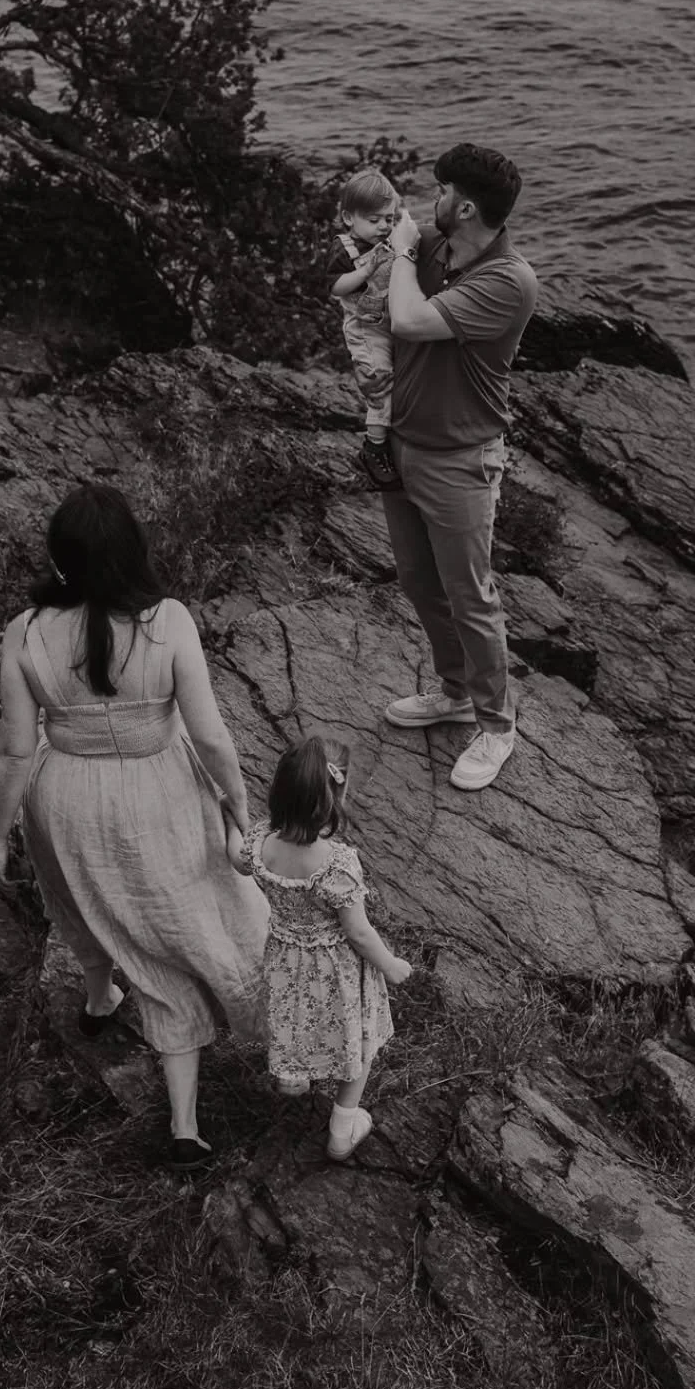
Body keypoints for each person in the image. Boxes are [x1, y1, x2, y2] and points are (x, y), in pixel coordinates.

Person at [0, 482, 268, 1169]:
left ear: (61, 561)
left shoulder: (24, 632)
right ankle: (183, 1124)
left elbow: (16, 749)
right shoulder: (167, 619)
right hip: (160, 794)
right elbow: (210, 735)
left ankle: (98, 995)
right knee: (176, 926)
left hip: (65, 800)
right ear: (131, 553)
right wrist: (238, 805)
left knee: (85, 905)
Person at [382, 143, 539, 792]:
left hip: (460, 458)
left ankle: (497, 726)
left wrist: (395, 251)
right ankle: (452, 692)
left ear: (466, 206)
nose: (430, 200)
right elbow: (386, 235)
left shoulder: (508, 281)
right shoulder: (438, 249)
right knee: (420, 582)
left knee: (472, 596)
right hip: (404, 442)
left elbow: (410, 320)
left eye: (441, 190)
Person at [226, 736, 411, 1162]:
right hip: (335, 972)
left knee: (295, 1019)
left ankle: (295, 1078)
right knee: (355, 1044)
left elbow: (235, 856)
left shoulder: (260, 844)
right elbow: (360, 933)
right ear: (334, 799)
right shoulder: (337, 865)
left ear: (278, 794)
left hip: (286, 962)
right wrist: (391, 964)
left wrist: (227, 819)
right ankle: (342, 1132)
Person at [329, 166, 403, 492]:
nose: (383, 226)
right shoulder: (344, 248)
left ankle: (393, 435)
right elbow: (337, 286)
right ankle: (373, 447)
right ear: (349, 218)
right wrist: (369, 267)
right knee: (380, 381)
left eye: (389, 218)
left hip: (390, 322)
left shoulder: (389, 241)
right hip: (364, 328)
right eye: (374, 220)